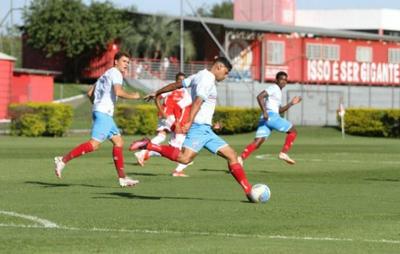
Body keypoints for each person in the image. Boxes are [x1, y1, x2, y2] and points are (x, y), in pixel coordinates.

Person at [129, 57, 253, 201]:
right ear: (219, 67)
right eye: (226, 73)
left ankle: (248, 190)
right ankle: (148, 145)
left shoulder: (200, 75)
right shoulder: (207, 79)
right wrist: (189, 121)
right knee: (185, 158)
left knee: (232, 155)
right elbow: (197, 102)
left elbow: (177, 85)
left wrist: (157, 92)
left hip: (206, 130)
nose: (225, 77)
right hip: (199, 127)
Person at [54, 52, 141, 187]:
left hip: (100, 111)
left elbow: (90, 93)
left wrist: (97, 105)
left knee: (118, 142)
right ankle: (63, 160)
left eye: (128, 62)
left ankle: (122, 178)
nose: (126, 64)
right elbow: (118, 92)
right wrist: (134, 96)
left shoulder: (105, 74)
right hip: (104, 113)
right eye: (124, 61)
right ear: (115, 62)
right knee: (94, 145)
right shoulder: (116, 73)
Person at [133, 72, 193, 177]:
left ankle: (145, 152)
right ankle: (145, 152)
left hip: (174, 119)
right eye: (179, 80)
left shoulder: (185, 92)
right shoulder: (171, 89)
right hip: (168, 117)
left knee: (165, 139)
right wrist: (161, 110)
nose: (181, 82)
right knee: (173, 143)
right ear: (176, 80)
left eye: (182, 80)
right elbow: (158, 96)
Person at [239, 71, 302, 165]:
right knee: (293, 131)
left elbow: (280, 110)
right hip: (271, 116)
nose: (284, 81)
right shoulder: (274, 87)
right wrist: (264, 112)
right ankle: (283, 153)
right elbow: (260, 96)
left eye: (285, 80)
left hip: (267, 119)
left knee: (258, 142)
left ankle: (240, 159)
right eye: (281, 79)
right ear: (276, 80)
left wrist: (291, 103)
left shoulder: (278, 92)